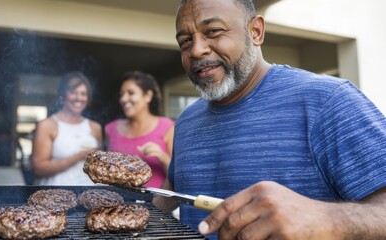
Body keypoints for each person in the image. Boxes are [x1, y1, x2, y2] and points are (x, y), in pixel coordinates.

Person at [153, 0, 386, 239]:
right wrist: (126, 202)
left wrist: (326, 218)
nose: (196, 50)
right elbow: (176, 188)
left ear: (255, 31)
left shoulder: (327, 101)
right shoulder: (186, 121)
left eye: (213, 32)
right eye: (185, 41)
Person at [105, 70, 174, 188]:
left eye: (131, 93)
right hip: (118, 203)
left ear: (148, 96)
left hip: (156, 204)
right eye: (122, 94)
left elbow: (179, 177)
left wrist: (162, 156)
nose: (124, 99)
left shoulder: (167, 127)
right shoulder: (111, 129)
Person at [32, 71, 102, 185]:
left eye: (83, 94)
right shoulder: (47, 125)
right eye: (73, 92)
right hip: (56, 195)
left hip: (91, 195)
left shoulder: (95, 127)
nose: (79, 98)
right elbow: (39, 168)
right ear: (63, 95)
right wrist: (79, 156)